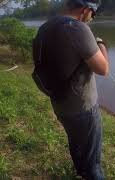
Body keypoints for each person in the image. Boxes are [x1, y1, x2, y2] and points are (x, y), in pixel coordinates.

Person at [32, 0, 109, 179]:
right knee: (93, 163)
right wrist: (101, 44)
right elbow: (103, 69)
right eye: (92, 13)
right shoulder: (79, 29)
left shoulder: (45, 27)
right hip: (83, 108)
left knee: (75, 143)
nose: (92, 17)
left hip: (59, 104)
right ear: (85, 10)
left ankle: (80, 173)